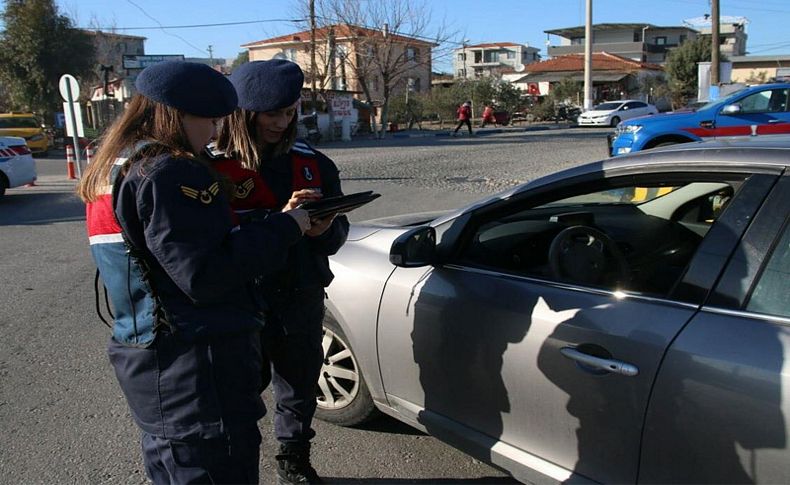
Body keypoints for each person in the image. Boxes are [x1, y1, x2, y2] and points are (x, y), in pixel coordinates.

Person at [77, 61, 311, 484]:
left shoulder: (117, 165)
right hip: (198, 369)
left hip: (151, 360)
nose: (217, 132)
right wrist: (286, 226)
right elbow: (203, 274)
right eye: (212, 120)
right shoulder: (171, 170)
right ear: (178, 116)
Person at [211, 59, 350, 484]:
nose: (283, 122)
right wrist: (280, 223)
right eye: (273, 114)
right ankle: (236, 464)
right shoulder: (209, 167)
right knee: (238, 391)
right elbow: (203, 243)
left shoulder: (314, 163)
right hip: (238, 297)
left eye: (289, 112)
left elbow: (338, 231)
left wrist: (323, 229)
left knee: (300, 382)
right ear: (244, 114)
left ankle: (293, 457)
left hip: (299, 293)